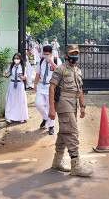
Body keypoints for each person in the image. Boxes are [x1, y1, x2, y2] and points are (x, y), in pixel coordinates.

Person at [48, 44, 93, 177]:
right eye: (72, 53)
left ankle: (57, 160)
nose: (75, 56)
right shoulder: (60, 69)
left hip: (73, 104)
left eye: (77, 53)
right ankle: (76, 165)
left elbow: (79, 89)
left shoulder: (77, 70)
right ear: (66, 55)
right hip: (63, 103)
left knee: (64, 131)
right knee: (72, 132)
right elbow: (52, 88)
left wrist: (82, 106)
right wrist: (51, 109)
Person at [34, 45, 62, 135]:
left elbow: (60, 71)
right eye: (44, 54)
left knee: (50, 106)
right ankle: (45, 117)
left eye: (47, 54)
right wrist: (35, 84)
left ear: (51, 53)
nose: (46, 56)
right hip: (42, 85)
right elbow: (38, 73)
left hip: (51, 86)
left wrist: (51, 62)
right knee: (38, 103)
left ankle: (51, 126)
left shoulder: (56, 60)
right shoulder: (41, 60)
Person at [3, 53, 28, 123]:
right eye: (15, 58)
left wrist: (22, 77)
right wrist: (4, 74)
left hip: (20, 84)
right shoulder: (11, 66)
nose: (16, 60)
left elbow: (25, 77)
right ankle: (9, 117)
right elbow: (5, 72)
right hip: (12, 84)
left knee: (20, 100)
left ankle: (21, 117)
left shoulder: (23, 67)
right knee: (10, 100)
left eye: (17, 58)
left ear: (20, 59)